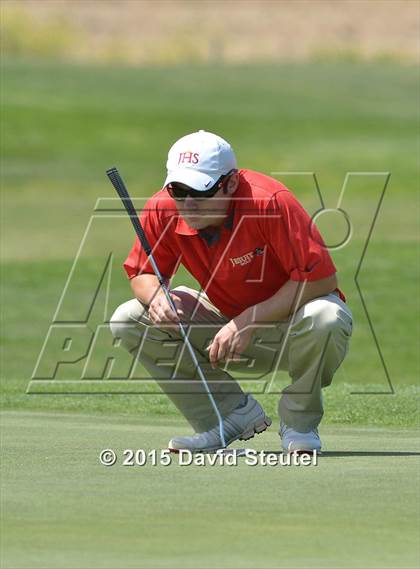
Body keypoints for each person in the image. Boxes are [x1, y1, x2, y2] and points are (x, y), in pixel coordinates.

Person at [110, 130, 353, 453]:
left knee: (327, 316)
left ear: (231, 183)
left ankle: (300, 425)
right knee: (129, 318)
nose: (189, 203)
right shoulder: (165, 207)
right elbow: (142, 272)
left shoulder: (269, 201)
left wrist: (249, 320)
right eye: (179, 190)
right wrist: (156, 298)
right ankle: (229, 417)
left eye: (201, 190)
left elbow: (321, 279)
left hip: (293, 330)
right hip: (223, 327)